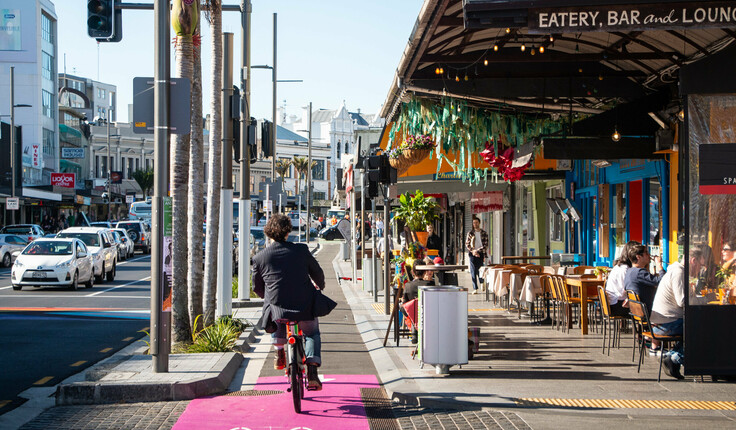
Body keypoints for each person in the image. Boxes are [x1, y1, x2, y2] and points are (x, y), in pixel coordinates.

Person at [252, 214, 326, 390]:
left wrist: (267, 296)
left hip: (277, 307)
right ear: (287, 232)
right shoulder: (301, 250)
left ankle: (279, 351)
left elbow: (257, 287)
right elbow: (317, 273)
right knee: (312, 333)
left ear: (269, 232)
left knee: (273, 309)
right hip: (304, 305)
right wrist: (320, 286)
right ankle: (313, 372)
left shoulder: (260, 257)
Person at [651, 246, 705, 379]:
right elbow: (682, 301)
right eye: (700, 266)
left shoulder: (676, 271)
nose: (700, 270)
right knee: (703, 328)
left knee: (697, 326)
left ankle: (672, 357)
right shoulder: (679, 273)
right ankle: (674, 358)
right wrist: (706, 299)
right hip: (666, 324)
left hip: (662, 322)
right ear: (693, 260)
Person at [624, 244, 665, 313]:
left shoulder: (629, 271)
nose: (649, 255)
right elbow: (662, 281)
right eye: (646, 253)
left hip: (637, 312)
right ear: (638, 257)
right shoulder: (639, 272)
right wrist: (659, 265)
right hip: (650, 312)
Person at [605, 241, 640, 316]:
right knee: (644, 309)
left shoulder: (619, 266)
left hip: (614, 302)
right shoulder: (624, 269)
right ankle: (644, 327)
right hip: (616, 305)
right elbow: (623, 291)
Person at [465, 216, 489, 294]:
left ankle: (482, 282)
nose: (475, 224)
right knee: (473, 270)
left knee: (480, 269)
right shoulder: (470, 233)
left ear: (479, 223)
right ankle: (475, 287)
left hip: (480, 253)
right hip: (472, 254)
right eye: (474, 223)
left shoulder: (484, 233)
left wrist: (477, 251)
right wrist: (473, 251)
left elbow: (485, 245)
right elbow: (467, 244)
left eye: (476, 222)